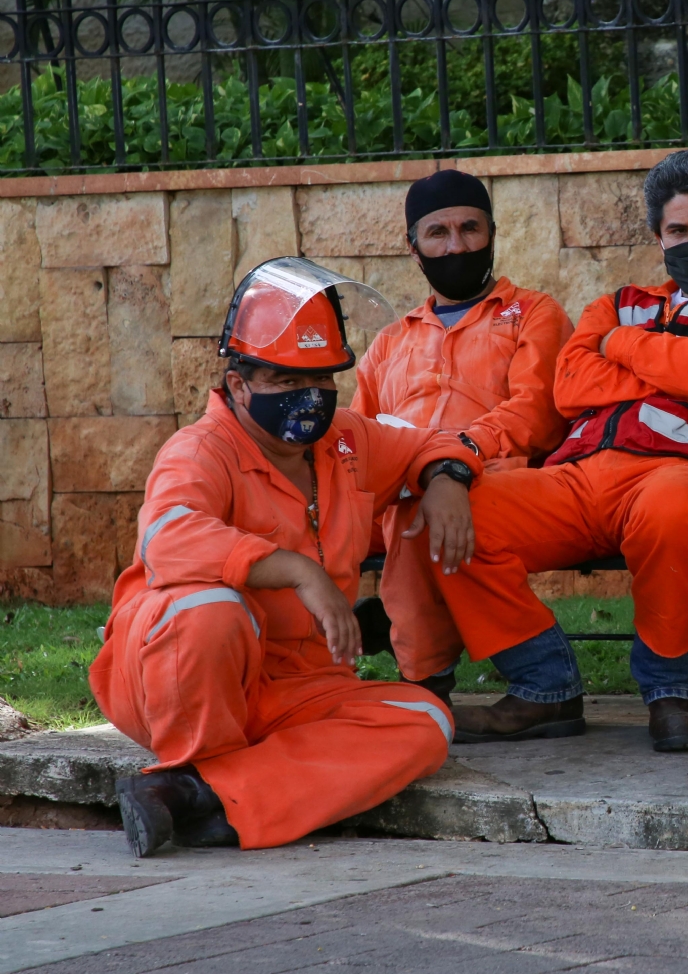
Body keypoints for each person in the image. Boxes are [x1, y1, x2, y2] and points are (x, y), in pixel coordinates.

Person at [425, 147, 688, 751]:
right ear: (659, 238)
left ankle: (671, 694)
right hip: (576, 479)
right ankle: (543, 689)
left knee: (671, 509)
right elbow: (569, 384)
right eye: (678, 230)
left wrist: (621, 346)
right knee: (453, 515)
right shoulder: (617, 303)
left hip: (686, 475)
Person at [90, 259, 482, 856]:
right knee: (211, 607)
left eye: (324, 378)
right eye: (283, 380)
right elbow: (167, 537)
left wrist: (447, 479)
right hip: (185, 676)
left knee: (425, 720)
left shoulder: (346, 440)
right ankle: (214, 778)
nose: (310, 396)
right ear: (238, 383)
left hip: (301, 685)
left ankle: (196, 798)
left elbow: (435, 438)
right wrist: (299, 571)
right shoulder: (200, 449)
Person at [351, 169, 572, 704]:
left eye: (470, 229)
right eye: (438, 234)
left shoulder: (533, 313)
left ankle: (424, 682)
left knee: (421, 514)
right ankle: (294, 673)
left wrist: (453, 458)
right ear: (414, 247)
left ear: (492, 233)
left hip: (492, 481)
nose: (457, 246)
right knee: (285, 520)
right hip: (396, 488)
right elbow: (360, 435)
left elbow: (538, 411)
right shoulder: (390, 340)